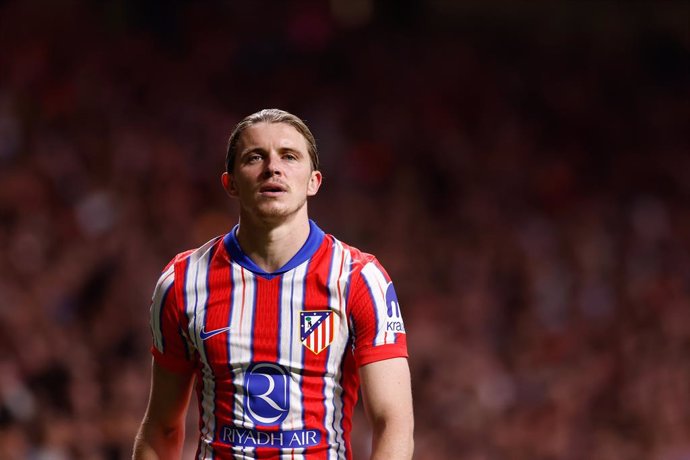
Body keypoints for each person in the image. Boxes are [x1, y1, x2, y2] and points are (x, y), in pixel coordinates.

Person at [132, 109, 414, 460]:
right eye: (255, 157)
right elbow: (161, 427)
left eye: (289, 156)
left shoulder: (359, 279)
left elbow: (393, 424)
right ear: (231, 182)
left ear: (314, 181)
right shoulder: (183, 280)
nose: (273, 168)